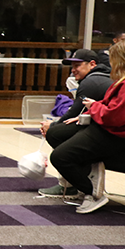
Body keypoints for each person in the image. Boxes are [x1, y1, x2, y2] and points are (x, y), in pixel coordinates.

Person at [48, 38, 125, 214]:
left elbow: (114, 116)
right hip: (104, 127)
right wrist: (89, 113)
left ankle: (92, 192)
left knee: (60, 157)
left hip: (112, 133)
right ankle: (87, 173)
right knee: (56, 134)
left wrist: (94, 107)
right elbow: (109, 104)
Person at [39, 48, 112, 197]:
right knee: (60, 130)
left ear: (92, 64)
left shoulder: (91, 82)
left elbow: (73, 113)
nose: (73, 70)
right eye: (72, 66)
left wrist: (51, 127)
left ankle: (80, 187)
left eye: (77, 65)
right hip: (109, 130)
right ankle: (73, 183)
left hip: (110, 135)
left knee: (56, 135)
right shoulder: (103, 77)